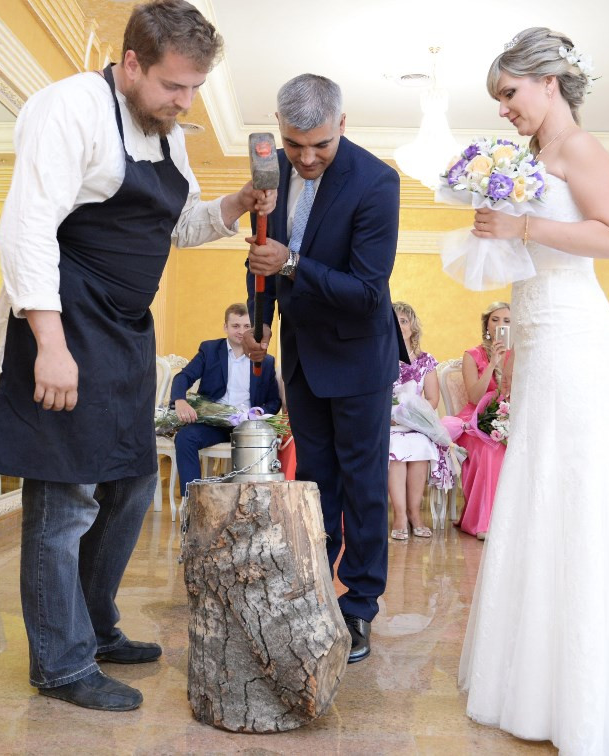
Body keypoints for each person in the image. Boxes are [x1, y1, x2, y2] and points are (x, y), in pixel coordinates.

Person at [0, 0, 275, 712]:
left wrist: (236, 202)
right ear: (133, 63)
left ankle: (96, 626)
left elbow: (175, 228)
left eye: (196, 88)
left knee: (132, 483)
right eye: (174, 86)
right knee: (63, 502)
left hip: (124, 330)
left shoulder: (166, 134)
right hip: (65, 318)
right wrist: (48, 344)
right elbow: (26, 229)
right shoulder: (71, 108)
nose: (185, 102)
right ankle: (59, 663)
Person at [458, 28, 609, 752]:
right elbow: (533, 247)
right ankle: (529, 678)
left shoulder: (581, 151)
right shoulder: (531, 158)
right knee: (537, 488)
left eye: (508, 93)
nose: (502, 108)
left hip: (574, 337)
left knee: (577, 488)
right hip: (536, 335)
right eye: (497, 97)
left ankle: (590, 687)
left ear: (547, 84)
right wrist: (498, 232)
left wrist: (524, 221)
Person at [244, 73, 406, 664]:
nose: (306, 158)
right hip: (303, 350)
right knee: (313, 478)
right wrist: (262, 315)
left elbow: (368, 291)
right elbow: (262, 247)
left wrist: (290, 264)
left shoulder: (376, 182)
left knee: (362, 485)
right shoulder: (275, 168)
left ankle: (360, 604)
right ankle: (315, 585)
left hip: (360, 352)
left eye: (319, 145)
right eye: (294, 145)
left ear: (342, 124)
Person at [170, 303, 282, 498]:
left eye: (247, 326)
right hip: (213, 424)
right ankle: (193, 500)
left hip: (248, 427)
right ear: (225, 327)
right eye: (235, 326)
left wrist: (259, 412)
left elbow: (274, 401)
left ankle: (254, 503)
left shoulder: (265, 360)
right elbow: (183, 377)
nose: (241, 331)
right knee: (185, 438)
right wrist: (179, 400)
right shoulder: (210, 350)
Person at [454, 301, 511, 539]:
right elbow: (475, 396)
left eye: (507, 321)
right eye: (495, 320)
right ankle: (483, 522)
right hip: (474, 421)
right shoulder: (472, 355)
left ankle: (512, 522)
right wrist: (493, 365)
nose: (500, 325)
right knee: (490, 450)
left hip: (507, 417)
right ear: (486, 325)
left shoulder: (522, 355)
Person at [388, 302, 443, 541]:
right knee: (395, 449)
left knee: (420, 446)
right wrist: (391, 415)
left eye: (404, 321)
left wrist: (411, 416)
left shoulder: (425, 360)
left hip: (416, 425)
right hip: (388, 425)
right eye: (394, 321)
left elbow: (432, 399)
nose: (400, 326)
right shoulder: (380, 358)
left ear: (413, 326)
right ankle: (399, 515)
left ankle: (415, 514)